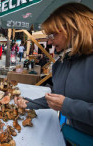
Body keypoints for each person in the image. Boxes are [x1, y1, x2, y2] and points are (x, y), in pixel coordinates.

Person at [15, 2, 93, 140]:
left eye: (52, 35)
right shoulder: (60, 65)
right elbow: (57, 98)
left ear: (72, 29)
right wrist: (29, 103)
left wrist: (68, 106)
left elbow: (64, 103)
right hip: (71, 137)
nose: (49, 42)